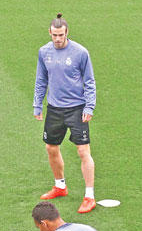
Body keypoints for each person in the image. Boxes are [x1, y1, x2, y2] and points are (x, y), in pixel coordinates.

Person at [33, 13, 97, 214]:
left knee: (83, 151)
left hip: (77, 108)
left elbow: (89, 81)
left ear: (67, 32)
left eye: (61, 35)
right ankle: (60, 186)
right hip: (54, 108)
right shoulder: (44, 52)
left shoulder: (80, 52)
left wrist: (89, 107)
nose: (58, 39)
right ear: (49, 33)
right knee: (51, 147)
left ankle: (89, 196)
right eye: (54, 35)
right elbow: (41, 79)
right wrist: (37, 105)